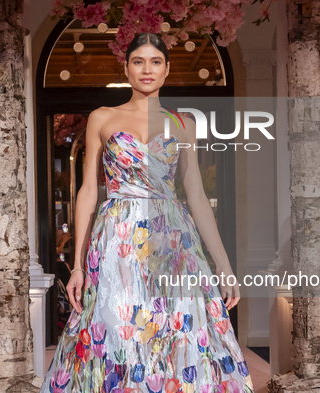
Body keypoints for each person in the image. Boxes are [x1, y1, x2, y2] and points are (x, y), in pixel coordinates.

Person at [40, 33, 254, 393]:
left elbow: (197, 196)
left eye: (155, 62)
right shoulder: (102, 117)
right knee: (116, 330)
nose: (146, 69)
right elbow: (89, 191)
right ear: (126, 68)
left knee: (175, 330)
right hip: (116, 240)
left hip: (172, 238)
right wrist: (77, 266)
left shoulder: (184, 123)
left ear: (167, 69)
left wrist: (224, 265)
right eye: (138, 61)